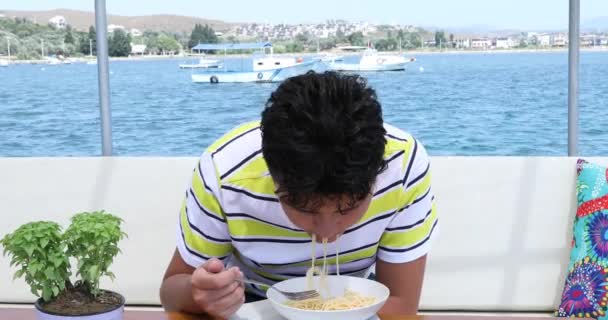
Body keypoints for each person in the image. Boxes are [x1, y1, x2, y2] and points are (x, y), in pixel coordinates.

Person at [159, 71, 438, 319]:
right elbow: (171, 293)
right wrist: (201, 293)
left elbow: (401, 306)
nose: (327, 234)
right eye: (305, 209)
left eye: (348, 207)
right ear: (271, 173)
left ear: (376, 176)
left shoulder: (403, 166)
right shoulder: (225, 170)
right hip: (247, 306)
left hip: (356, 308)